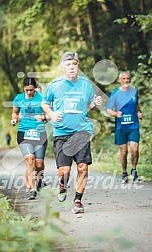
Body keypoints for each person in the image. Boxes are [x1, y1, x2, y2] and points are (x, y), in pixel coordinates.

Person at [41, 51, 102, 214]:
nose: (72, 67)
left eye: (74, 64)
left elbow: (89, 106)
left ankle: (77, 201)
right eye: (68, 64)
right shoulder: (55, 84)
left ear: (78, 66)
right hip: (62, 132)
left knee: (83, 168)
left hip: (81, 132)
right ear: (62, 67)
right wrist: (52, 114)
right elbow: (44, 104)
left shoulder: (86, 84)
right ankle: (62, 185)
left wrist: (95, 104)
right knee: (65, 170)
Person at [11, 77, 48, 200]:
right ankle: (32, 190)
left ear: (35, 88)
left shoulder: (42, 98)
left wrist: (43, 118)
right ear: (23, 88)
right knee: (29, 159)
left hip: (39, 133)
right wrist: (14, 119)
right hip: (24, 132)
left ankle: (39, 181)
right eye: (27, 90)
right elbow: (15, 112)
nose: (29, 93)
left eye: (31, 90)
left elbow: (49, 114)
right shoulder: (18, 98)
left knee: (39, 164)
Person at [106, 71, 143, 183]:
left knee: (135, 149)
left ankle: (134, 170)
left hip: (133, 125)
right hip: (121, 127)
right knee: (123, 152)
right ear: (120, 80)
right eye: (124, 79)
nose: (126, 81)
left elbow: (136, 104)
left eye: (128, 79)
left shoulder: (134, 92)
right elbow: (108, 109)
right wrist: (115, 114)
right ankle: (124, 173)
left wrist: (139, 112)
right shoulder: (115, 93)